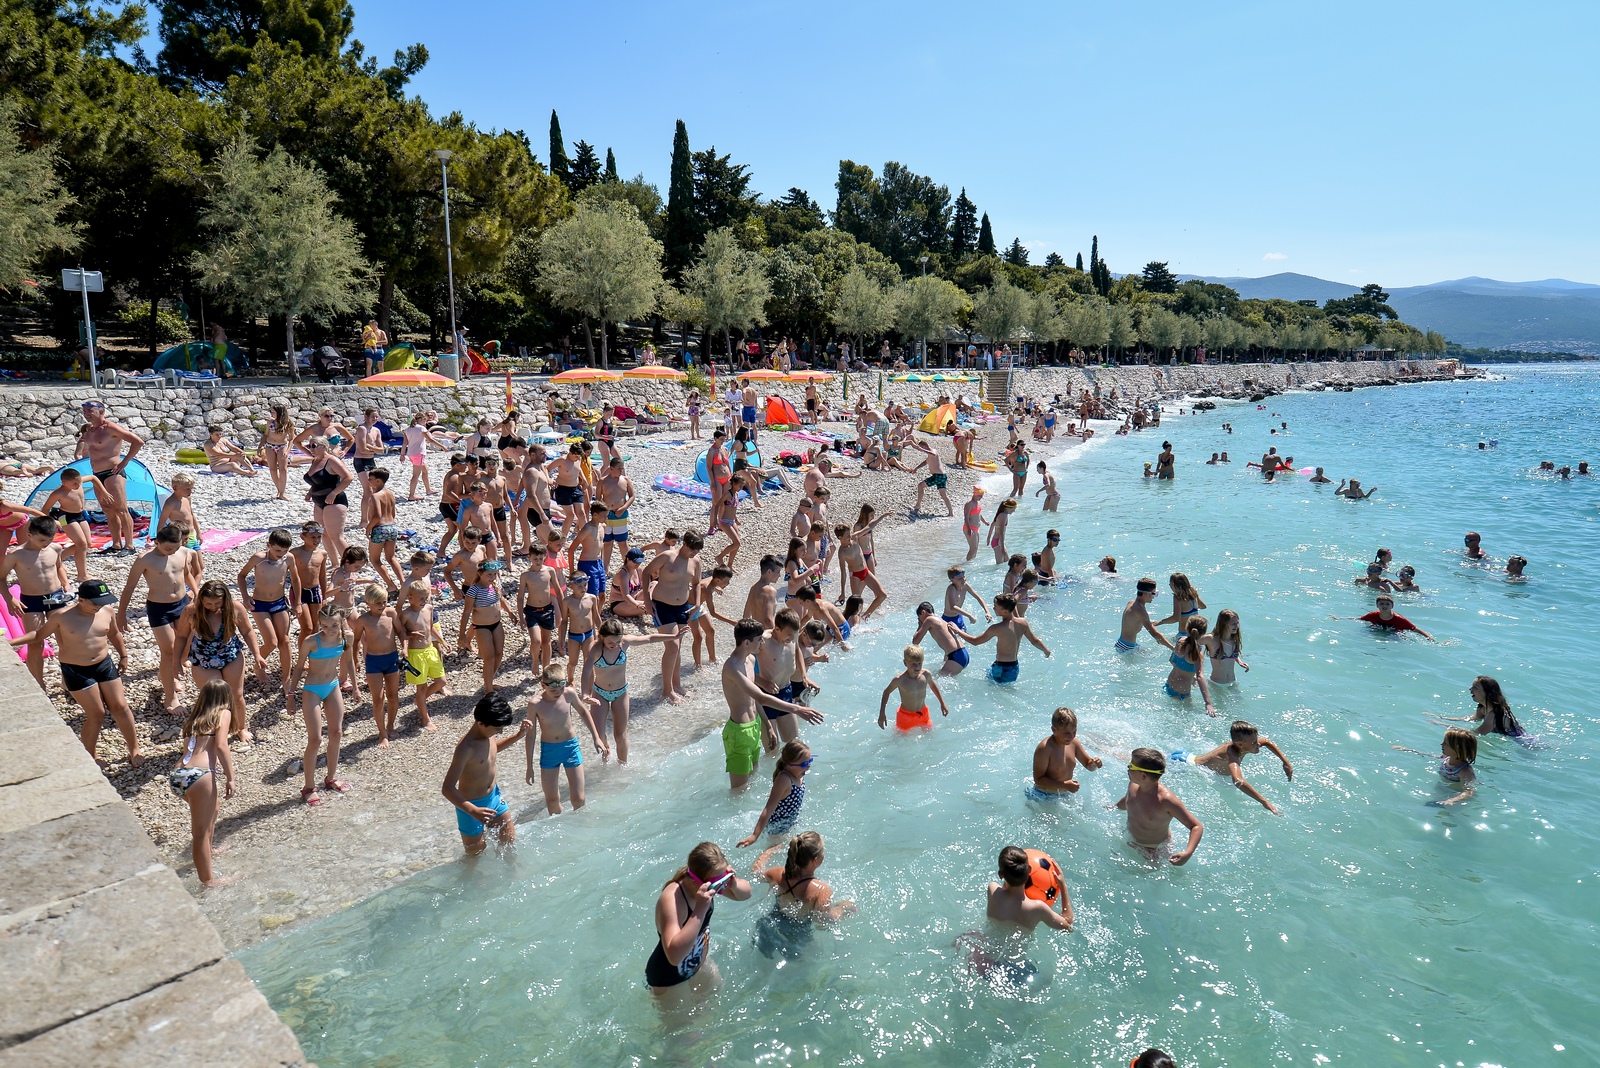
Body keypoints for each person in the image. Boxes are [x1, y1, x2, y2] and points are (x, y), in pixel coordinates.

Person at [9, 580, 142, 768]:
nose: (99, 606)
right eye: (95, 603)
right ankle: (91, 755)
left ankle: (135, 748)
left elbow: (113, 634)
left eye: (102, 602)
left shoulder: (107, 612)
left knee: (121, 707)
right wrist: (10, 642)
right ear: (81, 600)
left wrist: (124, 656)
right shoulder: (62, 616)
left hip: (104, 664)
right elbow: (38, 635)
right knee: (97, 714)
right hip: (76, 670)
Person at [646, 842, 753, 997]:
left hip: (697, 962)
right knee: (688, 1014)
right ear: (695, 881)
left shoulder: (708, 885)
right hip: (669, 979)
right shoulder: (672, 899)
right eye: (718, 883)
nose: (721, 887)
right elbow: (674, 956)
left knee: (715, 1000)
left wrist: (733, 883)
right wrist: (700, 909)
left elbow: (746, 895)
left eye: (724, 878)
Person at [723, 618, 819, 789]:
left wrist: (768, 726)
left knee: (752, 779)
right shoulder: (732, 667)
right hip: (739, 731)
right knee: (739, 789)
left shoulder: (750, 660)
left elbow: (753, 700)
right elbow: (761, 697)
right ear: (746, 643)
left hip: (755, 725)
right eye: (759, 639)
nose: (763, 642)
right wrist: (797, 709)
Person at [116, 523, 200, 712]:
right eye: (168, 549)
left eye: (175, 548)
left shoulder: (183, 552)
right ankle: (170, 697)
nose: (172, 552)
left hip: (182, 604)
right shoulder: (145, 559)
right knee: (169, 650)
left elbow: (186, 574)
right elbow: (129, 587)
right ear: (157, 542)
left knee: (185, 644)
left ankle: (167, 674)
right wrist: (121, 614)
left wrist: (196, 593)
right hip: (159, 608)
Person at [167, 679, 236, 888]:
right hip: (200, 775)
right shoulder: (223, 713)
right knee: (200, 833)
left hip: (179, 775)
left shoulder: (194, 719)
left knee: (214, 807)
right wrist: (230, 777)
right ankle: (208, 881)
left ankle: (209, 850)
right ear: (226, 697)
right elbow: (221, 746)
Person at [443, 692, 530, 854]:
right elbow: (447, 788)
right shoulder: (465, 748)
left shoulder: (487, 735)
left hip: (494, 798)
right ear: (481, 724)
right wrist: (473, 810)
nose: (500, 732)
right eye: (497, 728)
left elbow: (492, 750)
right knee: (476, 853)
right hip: (470, 806)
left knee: (509, 842)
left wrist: (517, 736)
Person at [524, 661, 607, 814]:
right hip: (549, 751)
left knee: (579, 799)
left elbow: (584, 713)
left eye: (561, 688)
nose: (558, 692)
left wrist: (596, 738)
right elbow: (530, 735)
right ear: (543, 685)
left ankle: (580, 826)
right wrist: (529, 766)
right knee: (552, 801)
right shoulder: (535, 704)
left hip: (570, 748)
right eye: (553, 689)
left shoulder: (569, 694)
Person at [290, 604, 352, 804]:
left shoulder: (347, 638)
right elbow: (299, 667)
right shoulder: (311, 641)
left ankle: (331, 778)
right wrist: (291, 695)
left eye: (334, 625)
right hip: (312, 690)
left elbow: (349, 661)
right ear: (319, 624)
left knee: (337, 733)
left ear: (342, 621)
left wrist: (356, 686)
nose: (329, 630)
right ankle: (308, 787)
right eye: (325, 626)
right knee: (315, 739)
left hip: (333, 686)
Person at [589, 618, 673, 764]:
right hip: (600, 693)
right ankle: (606, 757)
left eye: (617, 641)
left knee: (620, 736)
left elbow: (650, 638)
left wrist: (674, 636)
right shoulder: (595, 648)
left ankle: (622, 767)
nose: (615, 645)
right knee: (599, 735)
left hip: (620, 693)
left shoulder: (624, 642)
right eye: (610, 642)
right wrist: (585, 693)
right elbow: (586, 671)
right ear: (602, 637)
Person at [751, 832, 856, 938]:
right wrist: (842, 907)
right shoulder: (821, 890)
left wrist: (770, 851)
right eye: (822, 851)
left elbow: (756, 872)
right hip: (797, 934)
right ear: (815, 860)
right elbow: (824, 920)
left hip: (770, 924)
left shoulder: (777, 873)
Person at [642, 530, 705, 704]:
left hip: (683, 607)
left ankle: (676, 685)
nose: (694, 553)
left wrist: (697, 604)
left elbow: (697, 583)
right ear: (684, 544)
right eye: (692, 549)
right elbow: (646, 572)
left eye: (697, 550)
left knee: (677, 648)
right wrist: (647, 599)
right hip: (662, 606)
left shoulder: (696, 561)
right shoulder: (667, 556)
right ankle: (667, 691)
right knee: (672, 647)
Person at [75, 400, 143, 554]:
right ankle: (116, 544)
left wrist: (124, 462)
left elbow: (138, 442)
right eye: (85, 411)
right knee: (107, 510)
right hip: (96, 474)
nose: (86, 414)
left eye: (90, 411)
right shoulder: (89, 430)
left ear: (101, 411)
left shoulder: (111, 428)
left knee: (121, 509)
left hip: (113, 473)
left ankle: (130, 546)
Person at [1185, 720, 1294, 814]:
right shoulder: (1233, 755)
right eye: (1254, 742)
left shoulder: (1244, 745)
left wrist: (1285, 762)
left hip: (1191, 758)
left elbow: (1266, 741)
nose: (1258, 744)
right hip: (1188, 764)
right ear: (1240, 744)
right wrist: (1265, 802)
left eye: (1256, 740)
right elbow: (1237, 781)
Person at [1117, 749, 1204, 865]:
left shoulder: (1166, 801)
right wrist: (1113, 808)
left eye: (1131, 766)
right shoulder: (1133, 785)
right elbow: (1129, 800)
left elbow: (1196, 826)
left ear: (1143, 776)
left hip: (1154, 849)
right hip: (1130, 840)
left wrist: (1188, 853)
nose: (1128, 767)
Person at [349, 583, 405, 748]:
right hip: (373, 661)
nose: (382, 605)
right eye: (378, 603)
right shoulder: (363, 620)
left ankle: (390, 726)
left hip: (392, 658)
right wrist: (356, 659)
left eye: (384, 602)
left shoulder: (391, 613)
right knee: (378, 699)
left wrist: (405, 647)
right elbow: (356, 640)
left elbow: (401, 632)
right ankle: (382, 733)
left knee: (393, 696)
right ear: (368, 603)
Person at [963, 593, 1051, 684]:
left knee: (993, 687)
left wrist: (958, 631)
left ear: (1005, 611)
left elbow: (975, 641)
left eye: (996, 607)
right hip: (1014, 668)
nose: (993, 608)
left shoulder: (997, 628)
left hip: (1001, 668)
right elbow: (1035, 641)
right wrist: (1046, 650)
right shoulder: (1023, 623)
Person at [737, 740, 812, 846]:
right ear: (790, 764)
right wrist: (754, 836)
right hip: (777, 827)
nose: (808, 766)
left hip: (790, 822)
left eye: (810, 761)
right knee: (773, 850)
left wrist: (778, 794)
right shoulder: (784, 779)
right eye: (805, 764)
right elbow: (768, 808)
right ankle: (759, 858)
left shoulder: (798, 773)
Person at [40, 468, 107, 581]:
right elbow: (45, 508)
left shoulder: (78, 482)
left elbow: (93, 478)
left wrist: (104, 492)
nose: (78, 485)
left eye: (79, 482)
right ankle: (82, 575)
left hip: (80, 515)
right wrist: (51, 522)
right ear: (64, 483)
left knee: (87, 543)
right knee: (81, 543)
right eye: (75, 484)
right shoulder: (58, 493)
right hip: (65, 517)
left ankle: (56, 559)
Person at [986, 845, 1072, 931]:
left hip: (986, 937)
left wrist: (1009, 874)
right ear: (1030, 870)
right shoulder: (1038, 908)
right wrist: (1062, 885)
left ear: (1000, 875)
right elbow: (1067, 924)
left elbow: (1005, 888)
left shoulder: (992, 889)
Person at [398, 579, 445, 732]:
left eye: (426, 598)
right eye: (420, 599)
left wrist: (442, 641)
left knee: (441, 681)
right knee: (421, 686)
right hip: (415, 654)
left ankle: (420, 700)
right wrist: (409, 637)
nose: (424, 601)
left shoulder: (429, 608)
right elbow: (400, 633)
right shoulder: (406, 614)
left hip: (430, 650)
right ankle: (425, 719)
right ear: (410, 598)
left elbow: (430, 627)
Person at [1393, 727, 1478, 806]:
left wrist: (1452, 800)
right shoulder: (1446, 757)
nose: (1441, 744)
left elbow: (1469, 792)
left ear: (1457, 748)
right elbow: (1428, 756)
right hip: (1440, 790)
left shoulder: (1465, 771)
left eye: (1445, 743)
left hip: (1451, 796)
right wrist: (1408, 750)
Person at [1030, 707, 1101, 799]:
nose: (1071, 736)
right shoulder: (1045, 749)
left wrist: (1094, 764)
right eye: (1067, 733)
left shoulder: (1074, 743)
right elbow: (1038, 779)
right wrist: (1064, 785)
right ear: (1054, 730)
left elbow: (1088, 765)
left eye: (1074, 732)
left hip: (1066, 793)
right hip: (1043, 796)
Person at [303, 437, 354, 563]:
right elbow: (317, 481)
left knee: (336, 537)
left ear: (324, 446)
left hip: (334, 502)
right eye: (309, 446)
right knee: (323, 534)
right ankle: (335, 563)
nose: (311, 449)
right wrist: (310, 492)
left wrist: (334, 493)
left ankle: (351, 564)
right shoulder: (315, 460)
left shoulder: (331, 460)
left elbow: (348, 477)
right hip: (319, 501)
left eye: (314, 446)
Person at [876, 644, 949, 731]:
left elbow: (933, 685)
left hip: (923, 713)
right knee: (902, 738)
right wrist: (882, 713)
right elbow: (886, 692)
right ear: (905, 663)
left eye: (919, 663)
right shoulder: (900, 680)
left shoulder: (926, 675)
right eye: (913, 664)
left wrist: (942, 703)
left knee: (929, 735)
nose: (917, 667)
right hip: (905, 716)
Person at [1165, 616, 1216, 715]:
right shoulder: (1198, 651)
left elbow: (1172, 661)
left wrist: (1189, 676)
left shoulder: (1180, 641)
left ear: (1186, 628)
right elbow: (1200, 676)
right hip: (1181, 693)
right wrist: (1208, 703)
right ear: (1203, 634)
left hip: (1168, 685)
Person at [1118, 578, 1176, 653]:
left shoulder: (1131, 602)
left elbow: (1134, 622)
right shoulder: (1140, 610)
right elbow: (1155, 634)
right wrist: (1173, 648)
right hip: (1127, 648)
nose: (1154, 597)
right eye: (1154, 593)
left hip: (1123, 643)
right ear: (1146, 594)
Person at [912, 601, 970, 675]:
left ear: (923, 612)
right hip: (962, 654)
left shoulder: (929, 620)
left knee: (935, 679)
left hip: (956, 656)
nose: (920, 621)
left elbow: (915, 642)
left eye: (919, 618)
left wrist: (919, 626)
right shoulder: (941, 620)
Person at [907, 438, 954, 516]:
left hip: (938, 476)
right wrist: (917, 468)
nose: (920, 450)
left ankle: (918, 505)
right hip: (942, 476)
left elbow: (933, 454)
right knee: (943, 495)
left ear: (924, 446)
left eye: (921, 448)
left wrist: (922, 450)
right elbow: (926, 462)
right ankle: (951, 513)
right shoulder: (929, 455)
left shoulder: (933, 451)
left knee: (920, 486)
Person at [1355, 595, 1435, 640]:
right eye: (1381, 604)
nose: (1384, 606)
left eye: (1387, 604)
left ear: (1392, 606)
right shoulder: (1373, 615)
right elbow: (1360, 619)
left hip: (1394, 634)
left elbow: (1415, 629)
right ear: (1377, 605)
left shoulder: (1400, 619)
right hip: (1379, 631)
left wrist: (1429, 638)